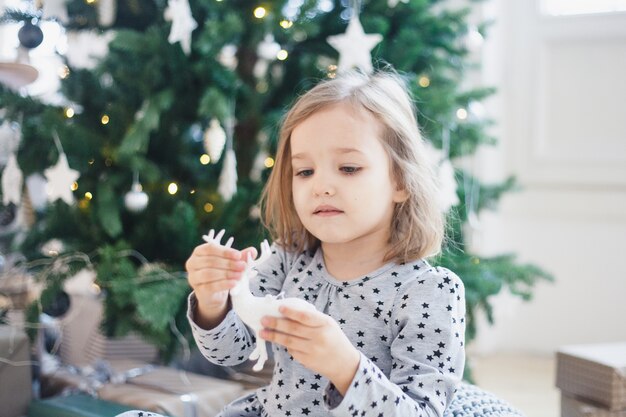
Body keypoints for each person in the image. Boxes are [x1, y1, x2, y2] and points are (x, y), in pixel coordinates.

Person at [184, 69, 466, 417]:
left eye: (348, 168)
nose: (321, 186)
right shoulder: (289, 261)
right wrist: (213, 301)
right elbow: (231, 352)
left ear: (401, 181)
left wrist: (346, 367)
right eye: (304, 172)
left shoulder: (430, 292)